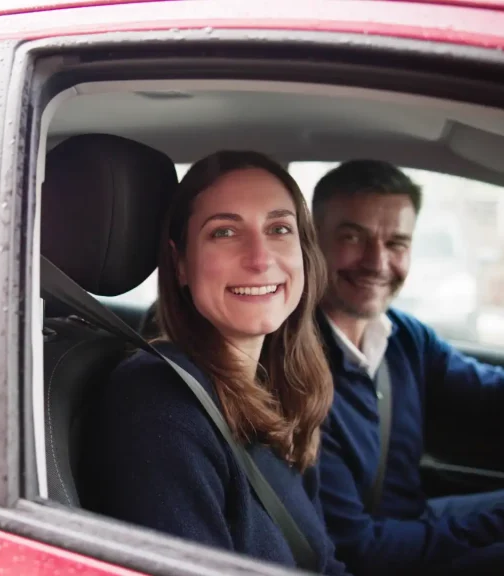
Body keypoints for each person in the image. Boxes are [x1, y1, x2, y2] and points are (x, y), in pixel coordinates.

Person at [82, 150, 348, 574]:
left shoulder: (279, 388)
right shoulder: (159, 408)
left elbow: (324, 563)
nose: (260, 258)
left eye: (279, 228)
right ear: (181, 264)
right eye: (224, 232)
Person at [312, 160, 504, 575]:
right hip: (378, 556)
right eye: (353, 237)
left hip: (413, 523)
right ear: (312, 241)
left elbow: (492, 394)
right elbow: (358, 549)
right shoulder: (293, 370)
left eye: (397, 244)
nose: (377, 262)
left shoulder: (405, 337)